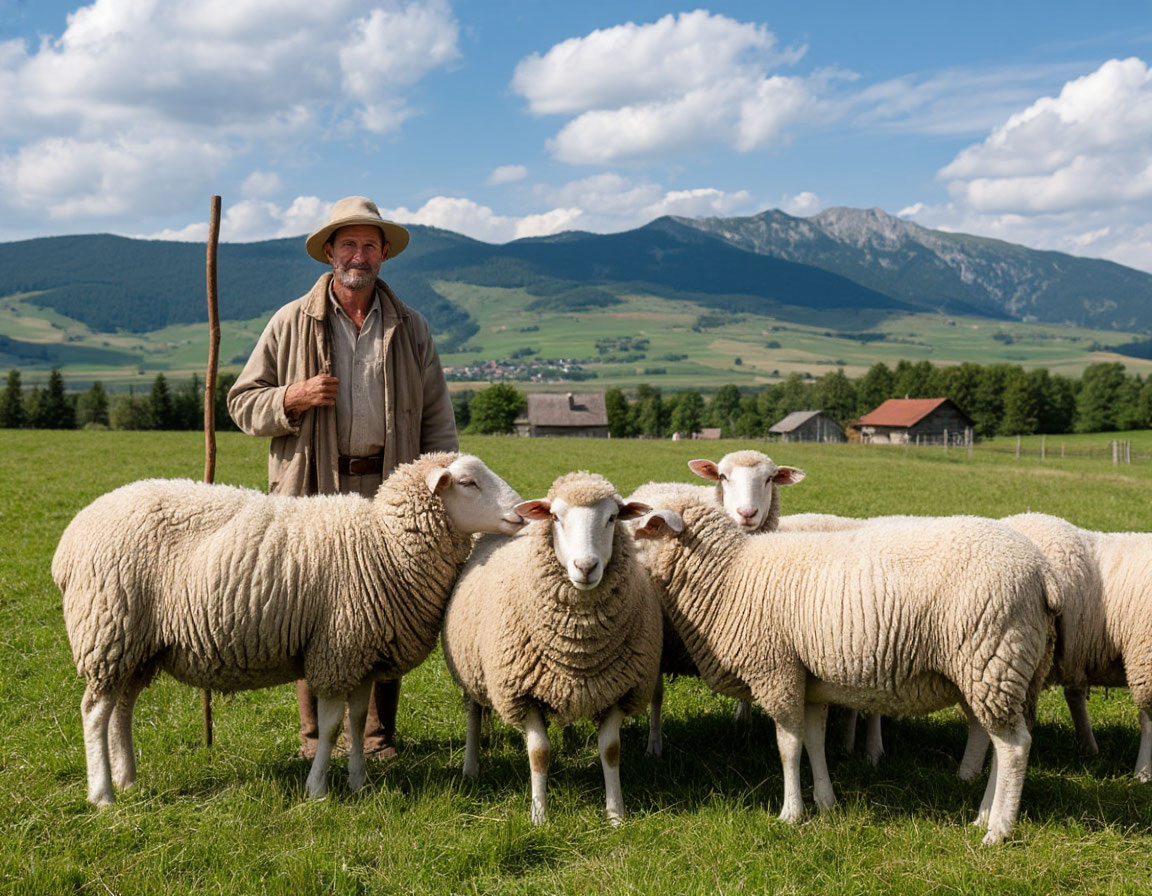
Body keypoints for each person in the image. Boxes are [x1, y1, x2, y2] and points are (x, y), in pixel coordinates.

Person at [228, 195, 458, 760]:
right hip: (314, 489)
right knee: (315, 610)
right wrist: (292, 397)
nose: (359, 255)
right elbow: (241, 403)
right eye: (349, 244)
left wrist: (443, 481)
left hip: (390, 492)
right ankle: (317, 740)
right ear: (330, 253)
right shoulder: (290, 322)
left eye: (369, 245)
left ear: (384, 254)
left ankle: (377, 739)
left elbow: (437, 419)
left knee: (391, 606)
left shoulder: (411, 327)